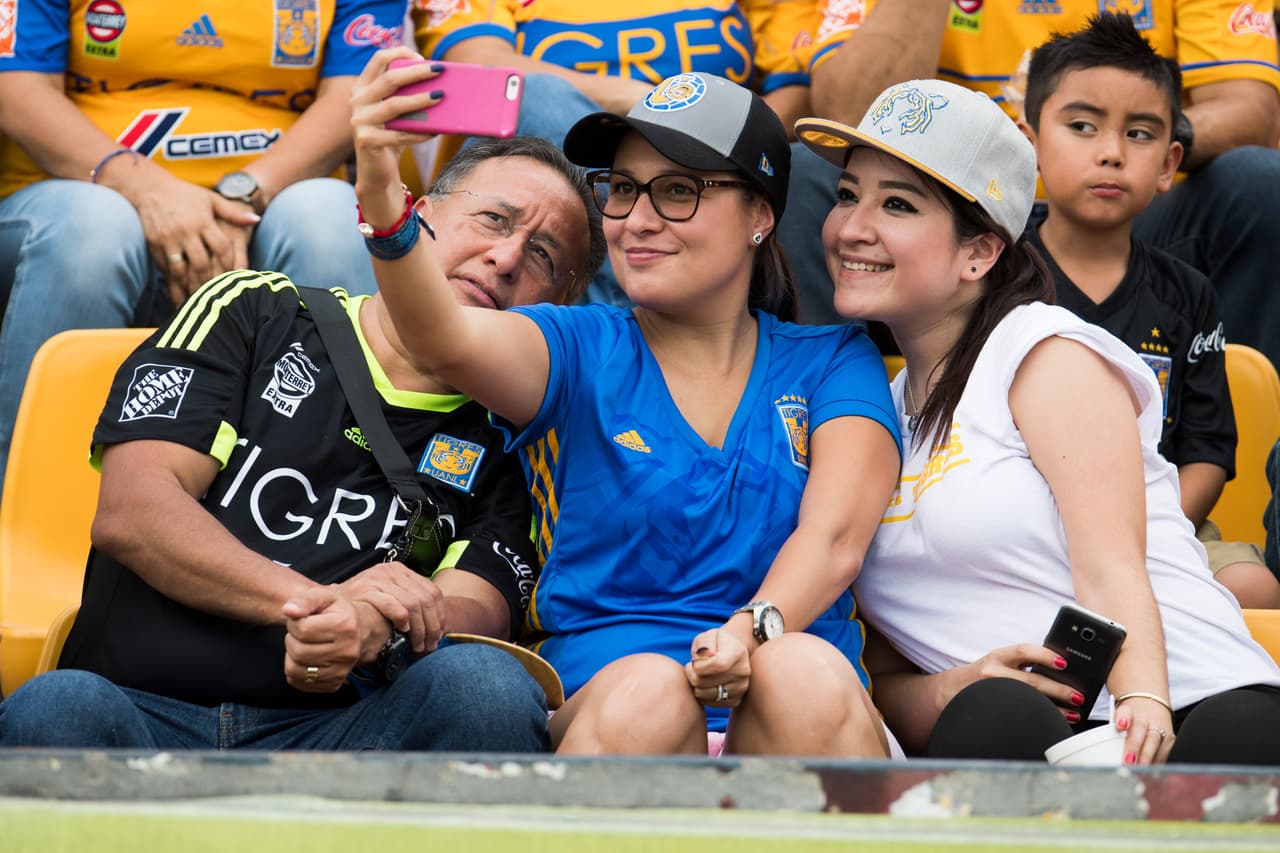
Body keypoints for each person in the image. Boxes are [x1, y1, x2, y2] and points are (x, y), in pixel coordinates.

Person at [353, 51, 903, 756]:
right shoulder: (577, 346)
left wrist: (750, 631)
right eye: (623, 190)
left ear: (760, 216)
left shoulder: (831, 358)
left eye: (676, 191)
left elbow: (833, 542)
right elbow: (444, 337)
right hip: (612, 709)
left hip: (798, 714)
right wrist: (380, 192)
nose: (636, 219)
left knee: (800, 668)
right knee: (652, 687)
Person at [0, 135, 605, 750]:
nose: (505, 257)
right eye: (494, 219)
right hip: (139, 709)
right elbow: (134, 511)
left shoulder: (521, 432)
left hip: (341, 735)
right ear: (418, 216)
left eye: (544, 256)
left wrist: (379, 624)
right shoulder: (255, 310)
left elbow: (477, 605)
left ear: (560, 309)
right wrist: (323, 605)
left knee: (486, 686)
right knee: (56, 706)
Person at [795, 78, 1280, 765]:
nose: (851, 227)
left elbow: (1112, 563)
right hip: (1009, 731)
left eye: (896, 203)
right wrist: (954, 688)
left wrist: (1142, 707)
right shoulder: (876, 407)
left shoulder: (1042, 351)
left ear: (980, 252)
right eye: (848, 196)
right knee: (991, 716)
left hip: (1187, 706)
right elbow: (881, 671)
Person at [0, 0, 408, 505]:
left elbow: (357, 91)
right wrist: (149, 191)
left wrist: (243, 196)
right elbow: (16, 86)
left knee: (328, 217)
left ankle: (333, 513)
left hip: (269, 198)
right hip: (73, 196)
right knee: (93, 233)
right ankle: (32, 510)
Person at [784, 0, 1280, 375]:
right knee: (807, 173)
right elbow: (849, 117)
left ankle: (1237, 424)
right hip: (955, 213)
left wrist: (1130, 146)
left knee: (1258, 183)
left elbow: (1251, 109)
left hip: (1130, 215)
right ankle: (836, 409)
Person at [1018, 13, 1280, 609]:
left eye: (1139, 134)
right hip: (1019, 528)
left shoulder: (1187, 293)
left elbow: (1208, 451)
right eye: (1082, 126)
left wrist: (1140, 533)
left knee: (1255, 587)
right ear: (1029, 144)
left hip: (1159, 526)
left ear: (1168, 164)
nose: (1111, 153)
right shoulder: (993, 274)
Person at [411, 0, 817, 307]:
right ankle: (631, 338)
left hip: (705, 165)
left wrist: (711, 136)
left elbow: (798, 91)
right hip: (549, 177)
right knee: (538, 98)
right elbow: (486, 68)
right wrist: (650, 105)